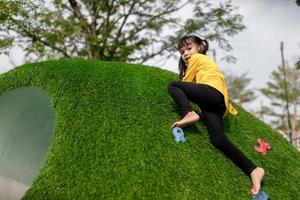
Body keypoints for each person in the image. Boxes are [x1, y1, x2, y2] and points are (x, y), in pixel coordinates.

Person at [167, 34, 265, 195]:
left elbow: (186, 82)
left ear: (200, 47)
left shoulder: (198, 58)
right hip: (214, 103)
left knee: (173, 85)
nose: (185, 53)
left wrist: (183, 86)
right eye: (182, 51)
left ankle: (189, 113)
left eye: (188, 48)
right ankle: (254, 170)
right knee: (218, 139)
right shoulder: (204, 64)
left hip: (211, 93)